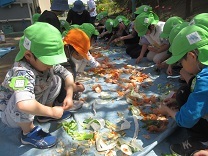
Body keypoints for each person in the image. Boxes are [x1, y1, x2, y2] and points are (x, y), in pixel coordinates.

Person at [0, 22, 84, 149]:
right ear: (28, 56)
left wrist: (69, 94)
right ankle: (27, 132)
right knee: (22, 101)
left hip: (32, 101)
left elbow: (67, 75)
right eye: (48, 62)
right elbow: (24, 104)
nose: (51, 65)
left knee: (56, 79)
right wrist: (51, 111)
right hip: (11, 114)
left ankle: (43, 115)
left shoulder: (43, 62)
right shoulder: (21, 72)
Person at [157, 24, 208, 155]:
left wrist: (167, 110)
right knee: (185, 93)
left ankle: (202, 142)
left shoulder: (203, 81)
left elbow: (185, 120)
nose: (181, 66)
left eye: (181, 62)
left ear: (191, 56)